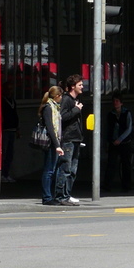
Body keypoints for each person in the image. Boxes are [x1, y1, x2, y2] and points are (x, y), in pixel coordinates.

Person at [55, 74, 85, 206]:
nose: (82, 87)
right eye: (80, 85)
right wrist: (76, 110)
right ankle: (60, 196)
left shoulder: (75, 100)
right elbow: (62, 116)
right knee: (65, 168)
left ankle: (67, 194)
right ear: (73, 86)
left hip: (76, 138)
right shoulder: (67, 99)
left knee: (72, 170)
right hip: (68, 138)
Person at [38, 85, 64, 206]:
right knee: (48, 170)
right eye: (61, 96)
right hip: (50, 143)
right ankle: (47, 197)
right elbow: (50, 128)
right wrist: (57, 145)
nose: (61, 98)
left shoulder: (54, 107)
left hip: (54, 142)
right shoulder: (48, 108)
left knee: (51, 169)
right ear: (57, 96)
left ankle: (49, 196)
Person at [105, 91, 134, 192]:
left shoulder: (126, 113)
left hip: (124, 142)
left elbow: (129, 128)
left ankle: (127, 185)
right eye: (114, 101)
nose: (115, 103)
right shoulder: (111, 114)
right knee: (111, 163)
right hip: (113, 142)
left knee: (126, 164)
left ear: (121, 103)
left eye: (117, 101)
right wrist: (109, 141)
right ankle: (107, 184)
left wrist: (120, 139)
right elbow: (108, 129)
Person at [0, 81, 19, 183]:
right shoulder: (1, 100)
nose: (10, 91)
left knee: (10, 154)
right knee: (4, 153)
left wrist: (17, 128)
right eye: (8, 89)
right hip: (5, 129)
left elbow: (15, 114)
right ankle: (2, 174)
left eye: (11, 89)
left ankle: (7, 174)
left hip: (12, 129)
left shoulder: (12, 100)